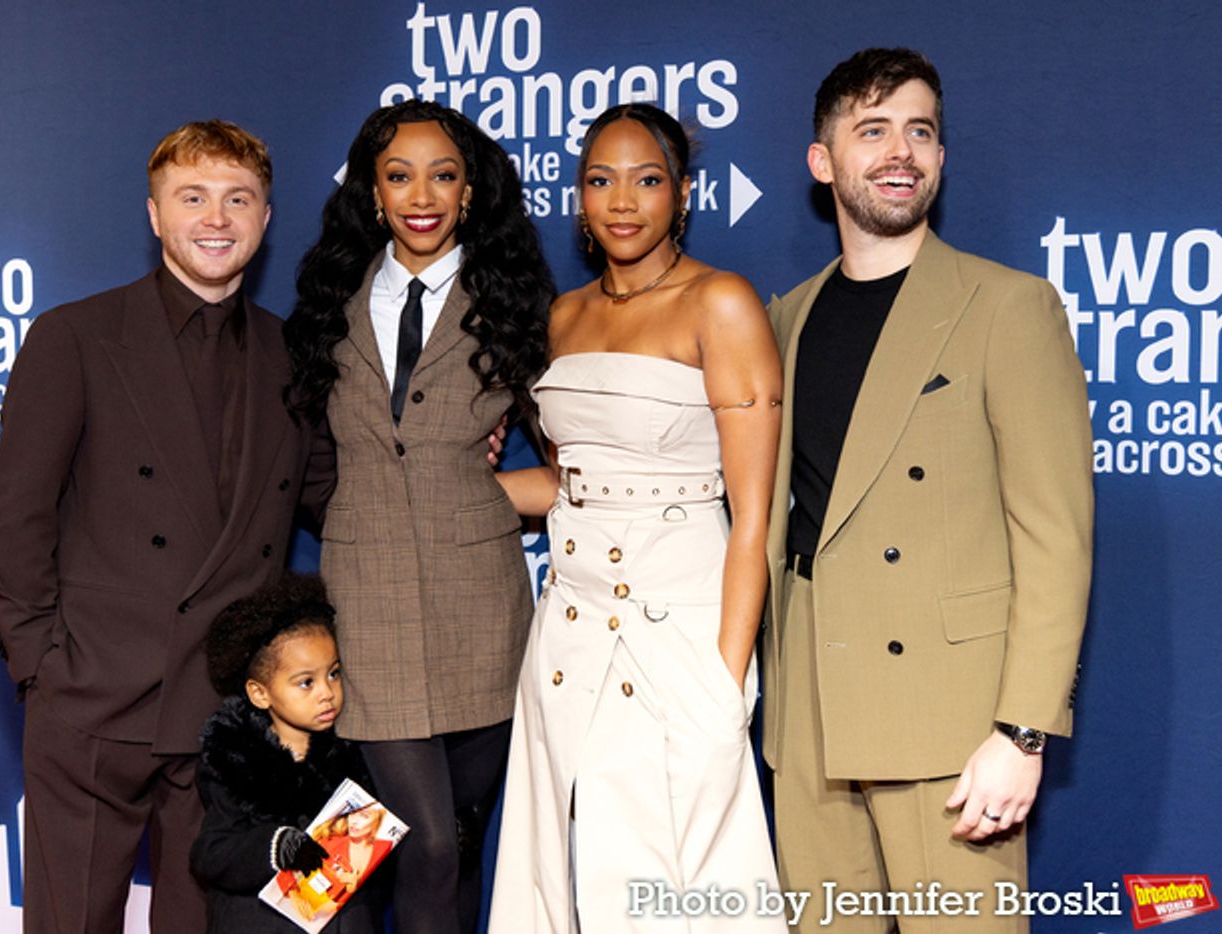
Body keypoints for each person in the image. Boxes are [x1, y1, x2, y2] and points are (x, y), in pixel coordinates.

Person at [760, 49, 1093, 932]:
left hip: (950, 723)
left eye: (920, 131)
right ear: (823, 161)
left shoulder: (1007, 305)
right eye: (872, 131)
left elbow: (1054, 538)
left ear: (941, 158)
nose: (899, 151)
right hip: (810, 718)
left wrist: (1022, 734)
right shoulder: (782, 318)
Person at [0, 120, 335, 934]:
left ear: (266, 218)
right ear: (154, 216)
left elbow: (335, 497)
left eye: (237, 198)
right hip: (95, 699)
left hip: (224, 713)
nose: (217, 218)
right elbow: (15, 520)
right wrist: (44, 668)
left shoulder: (293, 355)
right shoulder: (75, 338)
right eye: (193, 197)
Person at [489, 102, 787, 933]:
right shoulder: (563, 317)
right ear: (579, 197)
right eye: (601, 180)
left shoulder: (720, 303)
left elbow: (753, 517)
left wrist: (725, 686)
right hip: (569, 633)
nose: (623, 200)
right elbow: (568, 488)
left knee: (669, 887)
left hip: (679, 638)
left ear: (682, 194)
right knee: (556, 874)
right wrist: (439, 490)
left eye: (647, 179)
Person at [282, 99, 553, 934]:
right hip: (366, 605)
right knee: (426, 841)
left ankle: (305, 896)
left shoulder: (514, 302)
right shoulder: (331, 300)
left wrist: (479, 495)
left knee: (460, 839)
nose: (421, 195)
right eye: (399, 176)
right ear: (372, 191)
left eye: (443, 175)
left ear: (470, 192)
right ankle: (296, 899)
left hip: (482, 607)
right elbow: (302, 459)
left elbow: (575, 463)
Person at [191, 572, 379, 934]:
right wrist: (275, 845)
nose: (327, 692)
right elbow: (210, 854)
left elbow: (379, 844)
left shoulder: (353, 754)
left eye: (334, 674)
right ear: (260, 693)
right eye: (306, 682)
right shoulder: (235, 763)